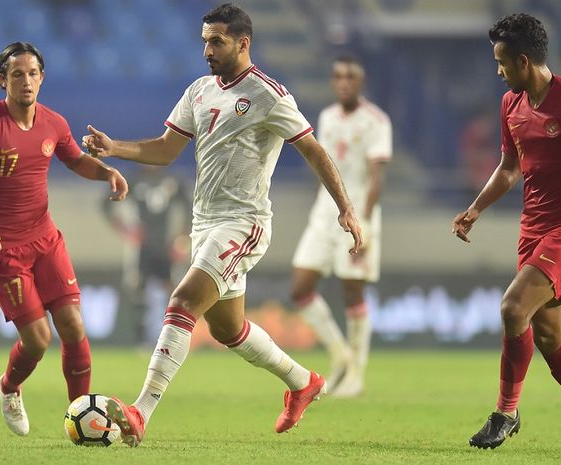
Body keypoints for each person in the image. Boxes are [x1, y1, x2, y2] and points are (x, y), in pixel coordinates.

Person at [82, 3, 362, 447]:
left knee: (182, 299)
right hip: (204, 225)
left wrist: (345, 207)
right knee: (229, 329)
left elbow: (313, 149)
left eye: (216, 41)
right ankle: (303, 382)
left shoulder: (269, 93)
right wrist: (114, 147)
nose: (207, 50)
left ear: (243, 42)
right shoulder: (198, 91)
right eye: (204, 41)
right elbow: (165, 149)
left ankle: (141, 410)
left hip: (244, 223)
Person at [452, 14, 561, 451]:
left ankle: (506, 413)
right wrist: (476, 208)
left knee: (513, 308)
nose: (498, 71)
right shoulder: (511, 106)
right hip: (531, 229)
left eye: (502, 63)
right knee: (548, 334)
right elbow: (510, 168)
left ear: (524, 61)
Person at [0, 42, 128, 437]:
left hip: (46, 240)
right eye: (17, 74)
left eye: (33, 73)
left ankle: (83, 417)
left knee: (73, 326)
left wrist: (107, 172)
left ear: (42, 78)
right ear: (2, 80)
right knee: (38, 340)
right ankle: (9, 386)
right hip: (3, 249)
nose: (27, 80)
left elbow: (74, 159)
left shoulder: (53, 123)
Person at [290, 56, 391, 398]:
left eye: (350, 76)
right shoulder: (327, 117)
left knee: (353, 290)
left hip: (358, 215)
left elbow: (376, 178)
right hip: (324, 213)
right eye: (338, 77)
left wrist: (365, 221)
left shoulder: (376, 121)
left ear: (360, 82)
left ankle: (356, 375)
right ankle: (341, 354)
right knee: (301, 286)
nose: (343, 82)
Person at [103, 166, 190, 343]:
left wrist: (182, 238)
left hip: (166, 245)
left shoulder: (172, 181)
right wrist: (126, 230)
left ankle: (174, 336)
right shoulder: (133, 181)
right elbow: (106, 205)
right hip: (142, 247)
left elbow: (190, 209)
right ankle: (140, 339)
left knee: (174, 289)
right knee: (138, 289)